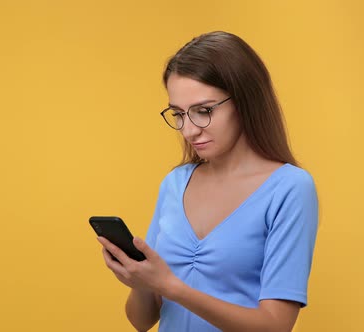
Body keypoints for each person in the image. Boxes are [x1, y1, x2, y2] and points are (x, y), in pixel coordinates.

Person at [97, 31, 319, 332]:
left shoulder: (290, 188)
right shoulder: (175, 183)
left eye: (203, 111)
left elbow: (275, 326)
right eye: (178, 114)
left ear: (244, 101)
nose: (189, 130)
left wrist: (172, 288)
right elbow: (141, 320)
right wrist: (140, 282)